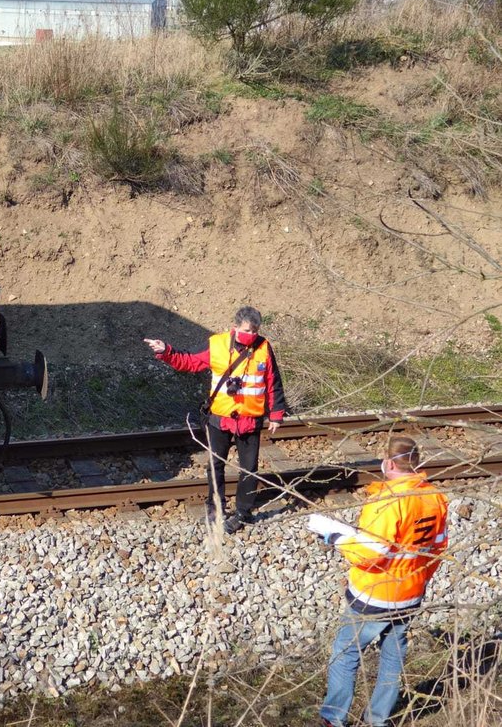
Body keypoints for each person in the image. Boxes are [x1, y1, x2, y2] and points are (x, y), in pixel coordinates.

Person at [309, 435, 448, 727]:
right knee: (393, 656)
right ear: (415, 462)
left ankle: (334, 718)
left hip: (375, 595)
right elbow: (438, 548)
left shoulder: (387, 501)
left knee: (346, 655)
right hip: (411, 592)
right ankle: (377, 720)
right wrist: (419, 579)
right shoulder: (434, 497)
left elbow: (371, 554)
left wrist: (335, 537)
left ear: (387, 463)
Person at [144, 305, 286, 533]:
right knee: (215, 465)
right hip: (220, 418)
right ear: (236, 327)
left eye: (256, 330)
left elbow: (273, 382)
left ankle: (243, 513)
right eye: (248, 330)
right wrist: (166, 351)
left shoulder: (264, 347)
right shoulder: (217, 344)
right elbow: (189, 361)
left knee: (249, 469)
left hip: (250, 421)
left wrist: (276, 414)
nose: (252, 335)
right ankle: (215, 508)